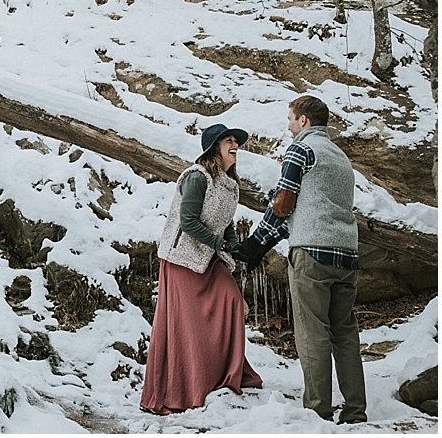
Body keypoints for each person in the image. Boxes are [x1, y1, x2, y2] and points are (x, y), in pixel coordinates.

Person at [233, 95, 366, 424]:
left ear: (304, 121)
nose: (289, 125)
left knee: (312, 331)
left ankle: (318, 413)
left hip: (312, 253)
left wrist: (255, 245)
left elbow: (283, 205)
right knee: (344, 332)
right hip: (347, 254)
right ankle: (355, 411)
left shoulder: (301, 149)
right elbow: (308, 206)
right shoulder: (340, 158)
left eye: (291, 119)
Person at [140, 123, 263, 415]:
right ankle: (172, 395)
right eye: (229, 141)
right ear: (214, 148)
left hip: (208, 257)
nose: (236, 145)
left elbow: (225, 221)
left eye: (237, 141)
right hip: (182, 258)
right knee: (185, 327)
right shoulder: (197, 177)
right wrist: (221, 243)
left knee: (232, 301)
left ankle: (220, 376)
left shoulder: (229, 184)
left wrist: (235, 245)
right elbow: (188, 222)